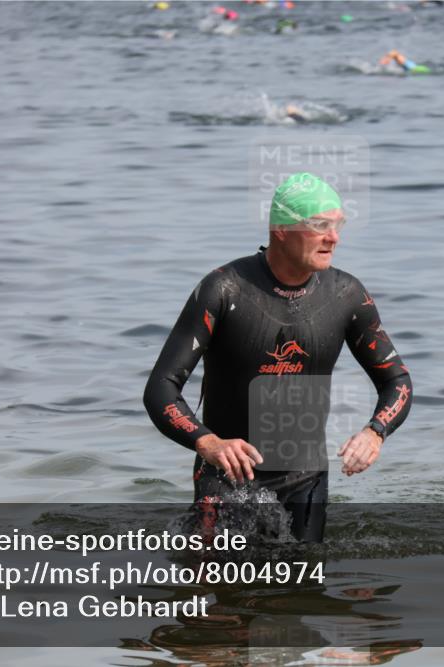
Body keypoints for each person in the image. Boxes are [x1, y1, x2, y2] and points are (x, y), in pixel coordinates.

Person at [144, 173, 414, 542]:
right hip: (226, 478)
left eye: (337, 226)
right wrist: (209, 443)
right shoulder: (224, 289)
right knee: (211, 591)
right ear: (281, 229)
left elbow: (396, 380)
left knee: (302, 590)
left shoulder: (347, 295)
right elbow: (161, 388)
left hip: (306, 481)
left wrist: (375, 432)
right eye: (319, 226)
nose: (333, 238)